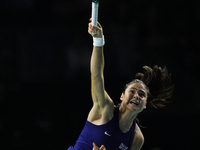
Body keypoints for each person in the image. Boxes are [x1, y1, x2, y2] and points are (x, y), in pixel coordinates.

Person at [67, 19, 174, 150]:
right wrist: (98, 40)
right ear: (122, 96)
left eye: (141, 95)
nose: (136, 96)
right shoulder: (105, 108)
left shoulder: (137, 139)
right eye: (132, 91)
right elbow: (96, 74)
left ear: (145, 104)